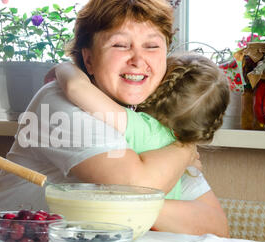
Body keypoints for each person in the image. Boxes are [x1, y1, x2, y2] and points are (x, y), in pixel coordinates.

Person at [0, 0, 229, 237]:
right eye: (120, 45)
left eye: (151, 46)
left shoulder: (154, 118)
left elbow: (215, 226)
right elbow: (137, 188)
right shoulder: (58, 103)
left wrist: (116, 204)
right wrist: (185, 149)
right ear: (89, 59)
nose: (138, 60)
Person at [54, 53, 231, 200]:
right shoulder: (182, 153)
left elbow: (77, 88)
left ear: (160, 89)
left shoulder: (145, 128)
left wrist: (64, 66)